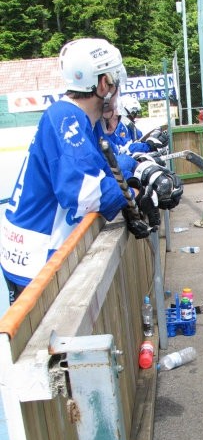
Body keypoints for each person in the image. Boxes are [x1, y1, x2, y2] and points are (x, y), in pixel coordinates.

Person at [0, 37, 150, 305]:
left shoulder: (84, 120)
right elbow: (86, 195)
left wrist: (131, 172)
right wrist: (135, 190)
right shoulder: (66, 118)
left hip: (31, 252)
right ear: (104, 83)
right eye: (116, 81)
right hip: (35, 259)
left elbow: (110, 167)